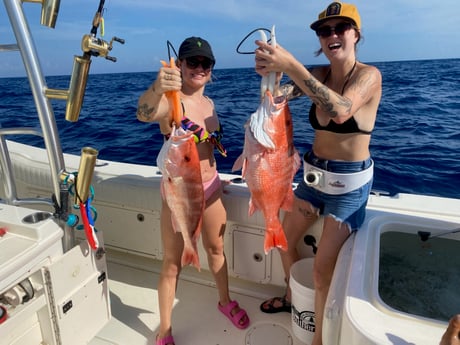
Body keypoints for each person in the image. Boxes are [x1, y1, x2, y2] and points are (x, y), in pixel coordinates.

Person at [254, 2, 381, 345]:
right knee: (280, 238)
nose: (333, 35)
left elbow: (340, 110)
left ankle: (319, 340)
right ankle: (293, 298)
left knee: (323, 271)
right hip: (312, 179)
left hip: (348, 187)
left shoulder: (369, 76)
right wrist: (271, 74)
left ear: (356, 34)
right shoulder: (318, 74)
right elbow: (276, 98)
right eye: (325, 31)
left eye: (341, 28)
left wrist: (292, 66)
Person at [137, 37, 249, 345]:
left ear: (211, 70)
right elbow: (145, 113)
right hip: (180, 193)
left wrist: (216, 178)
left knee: (216, 250)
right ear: (180, 66)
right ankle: (165, 331)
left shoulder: (209, 104)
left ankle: (224, 301)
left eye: (205, 63)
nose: (198, 68)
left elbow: (208, 150)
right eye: (192, 62)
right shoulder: (172, 102)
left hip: (211, 188)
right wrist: (158, 87)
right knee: (173, 263)